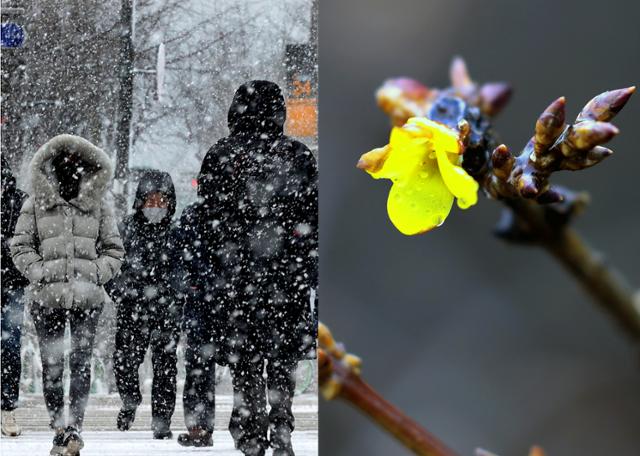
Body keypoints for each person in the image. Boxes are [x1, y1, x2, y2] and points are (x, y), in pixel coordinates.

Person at [196, 80, 318, 456]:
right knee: (282, 360)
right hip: (287, 278)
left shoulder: (220, 156)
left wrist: (211, 277)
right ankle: (281, 425)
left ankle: (251, 430)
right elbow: (312, 222)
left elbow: (207, 225)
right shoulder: (298, 156)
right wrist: (308, 270)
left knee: (245, 360)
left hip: (236, 282)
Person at [10, 134, 124, 456]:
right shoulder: (35, 205)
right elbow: (20, 247)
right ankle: (59, 427)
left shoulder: (99, 206)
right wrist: (41, 273)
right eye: (63, 164)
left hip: (88, 300)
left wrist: (95, 275)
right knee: (53, 365)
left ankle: (74, 427)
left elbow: (114, 250)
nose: (70, 169)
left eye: (77, 164)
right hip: (48, 299)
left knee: (81, 363)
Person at [106, 169, 180, 440]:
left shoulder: (176, 232)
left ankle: (162, 420)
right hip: (132, 308)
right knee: (125, 362)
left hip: (167, 309)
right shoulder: (125, 229)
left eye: (162, 200)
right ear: (140, 201)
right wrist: (120, 293)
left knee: (165, 366)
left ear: (170, 202)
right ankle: (129, 401)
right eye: (150, 200)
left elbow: (184, 269)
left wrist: (176, 295)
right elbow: (111, 264)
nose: (156, 206)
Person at [1, 156, 29, 437]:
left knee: (9, 347)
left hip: (11, 285)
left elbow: (28, 242)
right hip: (12, 281)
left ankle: (7, 408)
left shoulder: (19, 202)